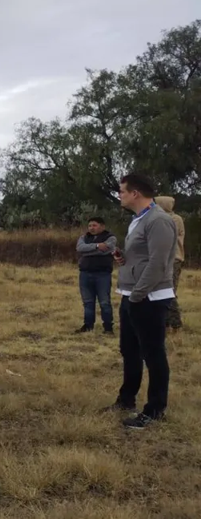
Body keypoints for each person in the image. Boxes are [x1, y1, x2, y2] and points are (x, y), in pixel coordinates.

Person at [105, 173, 178, 430]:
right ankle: (127, 399)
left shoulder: (158, 221)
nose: (120, 195)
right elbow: (143, 257)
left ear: (135, 193)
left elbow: (158, 264)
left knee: (153, 354)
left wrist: (138, 295)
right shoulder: (138, 220)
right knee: (130, 350)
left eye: (122, 191)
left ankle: (155, 409)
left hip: (148, 297)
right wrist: (123, 258)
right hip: (131, 294)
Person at [75, 217, 117, 334]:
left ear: (102, 226)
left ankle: (108, 327)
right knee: (88, 302)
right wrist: (97, 246)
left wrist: (87, 251)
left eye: (94, 225)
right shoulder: (84, 237)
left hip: (102, 274)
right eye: (90, 226)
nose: (91, 228)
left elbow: (108, 249)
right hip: (85, 273)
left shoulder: (110, 238)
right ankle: (88, 325)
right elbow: (80, 248)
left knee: (104, 302)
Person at [155, 196, 185, 333]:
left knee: (169, 291)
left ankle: (175, 323)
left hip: (173, 259)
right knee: (160, 291)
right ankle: (165, 323)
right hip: (160, 259)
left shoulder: (175, 219)